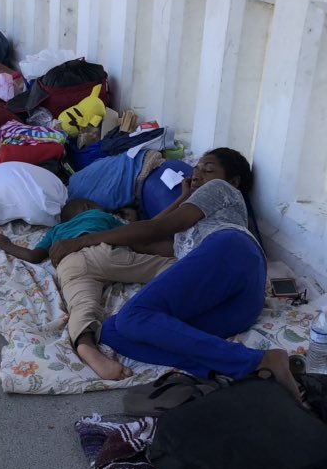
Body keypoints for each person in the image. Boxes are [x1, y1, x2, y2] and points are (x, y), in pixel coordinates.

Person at [48, 147, 300, 397]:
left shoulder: (221, 190)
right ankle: (225, 370)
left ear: (233, 181)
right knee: (115, 331)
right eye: (196, 168)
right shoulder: (187, 236)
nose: (198, 174)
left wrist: (82, 241)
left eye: (208, 169)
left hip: (232, 251)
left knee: (133, 316)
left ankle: (257, 360)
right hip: (238, 305)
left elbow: (154, 228)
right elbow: (143, 242)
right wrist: (182, 199)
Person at [0, 199, 174, 380]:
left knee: (81, 306)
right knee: (167, 267)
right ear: (87, 208)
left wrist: (5, 244)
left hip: (69, 265)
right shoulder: (100, 216)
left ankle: (85, 344)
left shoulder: (56, 231)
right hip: (102, 252)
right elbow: (135, 238)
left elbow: (33, 256)